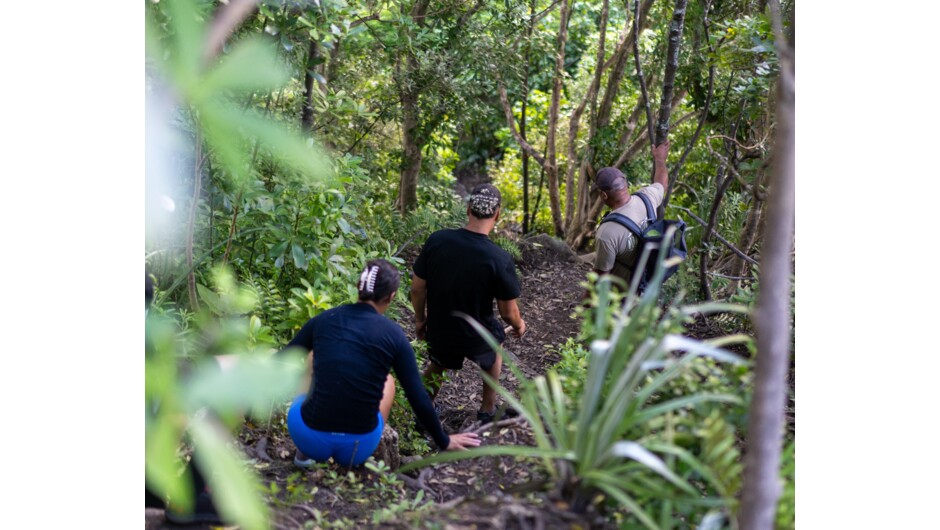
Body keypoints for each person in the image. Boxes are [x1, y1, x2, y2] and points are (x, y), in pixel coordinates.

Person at [283, 259, 481, 468]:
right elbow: (418, 396)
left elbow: (284, 358)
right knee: (387, 381)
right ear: (391, 296)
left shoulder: (325, 319)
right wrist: (444, 440)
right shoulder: (393, 334)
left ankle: (303, 456)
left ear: (358, 287)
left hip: (309, 438)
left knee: (313, 356)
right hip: (358, 447)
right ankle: (363, 460)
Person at [411, 184, 527, 425]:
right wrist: (519, 324)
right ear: (497, 214)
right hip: (475, 333)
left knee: (438, 362)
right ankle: (487, 410)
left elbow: (417, 287)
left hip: (440, 328)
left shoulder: (438, 240)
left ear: (468, 209)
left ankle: (424, 412)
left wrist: (421, 320)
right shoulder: (498, 258)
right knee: (494, 354)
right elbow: (508, 313)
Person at [591, 141, 671, 289]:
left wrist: (585, 306)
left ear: (603, 195)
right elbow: (662, 183)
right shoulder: (647, 197)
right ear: (626, 185)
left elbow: (601, 277)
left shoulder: (607, 232)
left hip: (627, 294)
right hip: (651, 281)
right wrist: (660, 159)